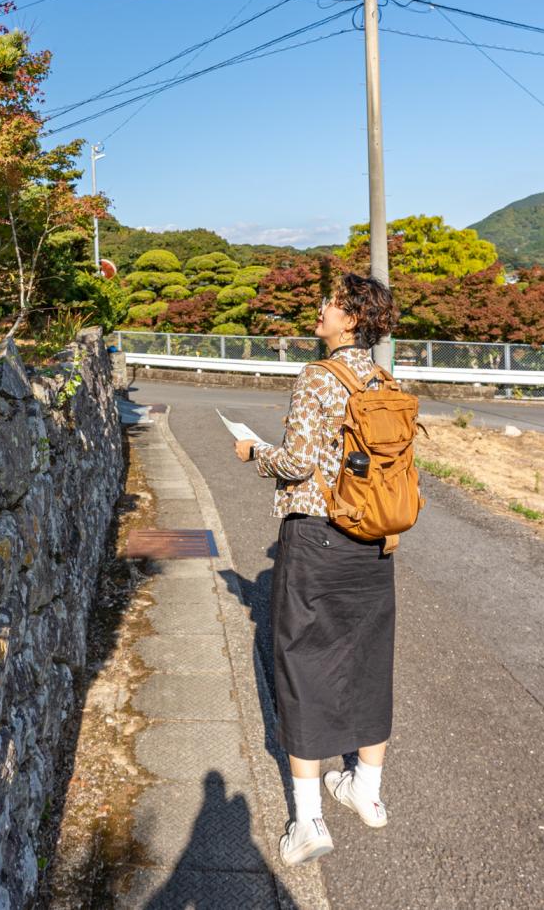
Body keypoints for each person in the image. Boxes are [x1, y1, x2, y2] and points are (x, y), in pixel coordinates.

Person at [234, 273, 399, 866]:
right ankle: (367, 793)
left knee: (303, 663)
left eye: (330, 304)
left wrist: (256, 454)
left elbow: (300, 465)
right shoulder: (385, 378)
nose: (320, 309)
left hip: (317, 538)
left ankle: (309, 823)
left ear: (351, 319)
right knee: (368, 658)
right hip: (375, 541)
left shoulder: (318, 378)